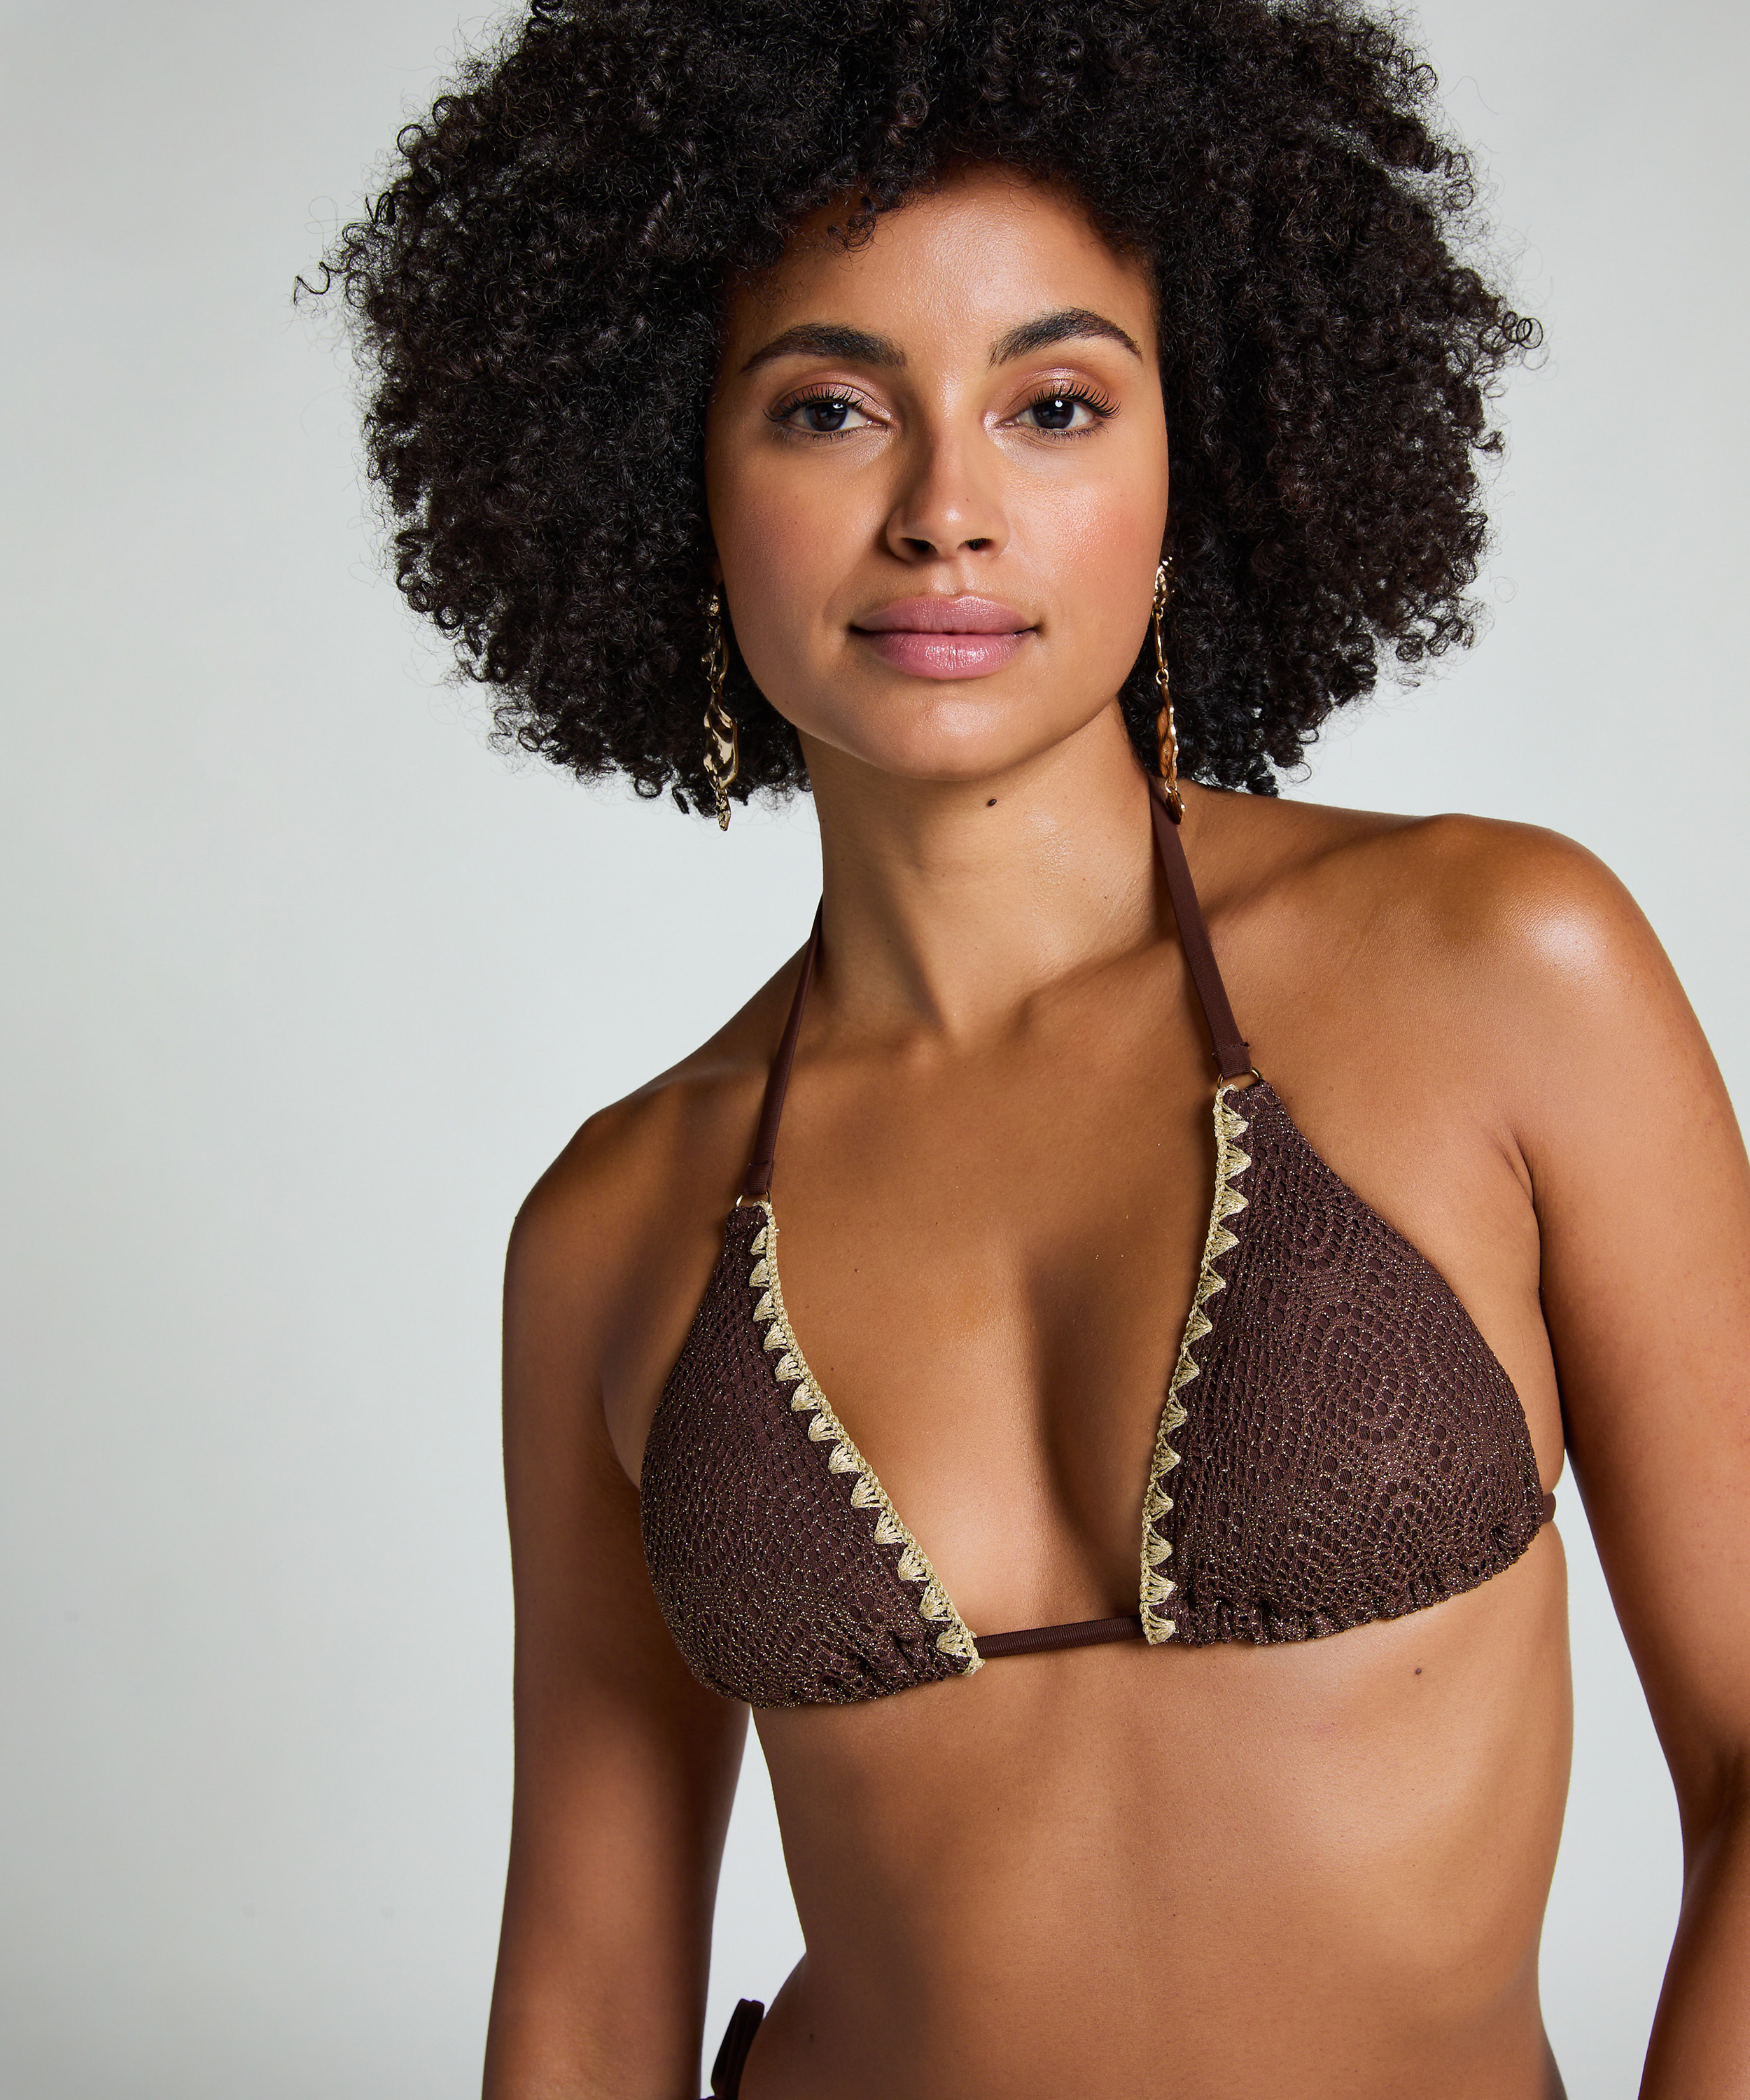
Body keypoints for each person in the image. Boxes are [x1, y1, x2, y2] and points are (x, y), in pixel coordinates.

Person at [310, 1, 1750, 2092]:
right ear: (665, 467)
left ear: (1197, 454)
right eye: (829, 410)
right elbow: (590, 1994)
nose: (946, 512)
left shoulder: (1497, 965)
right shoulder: (615, 1230)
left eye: (1054, 404)